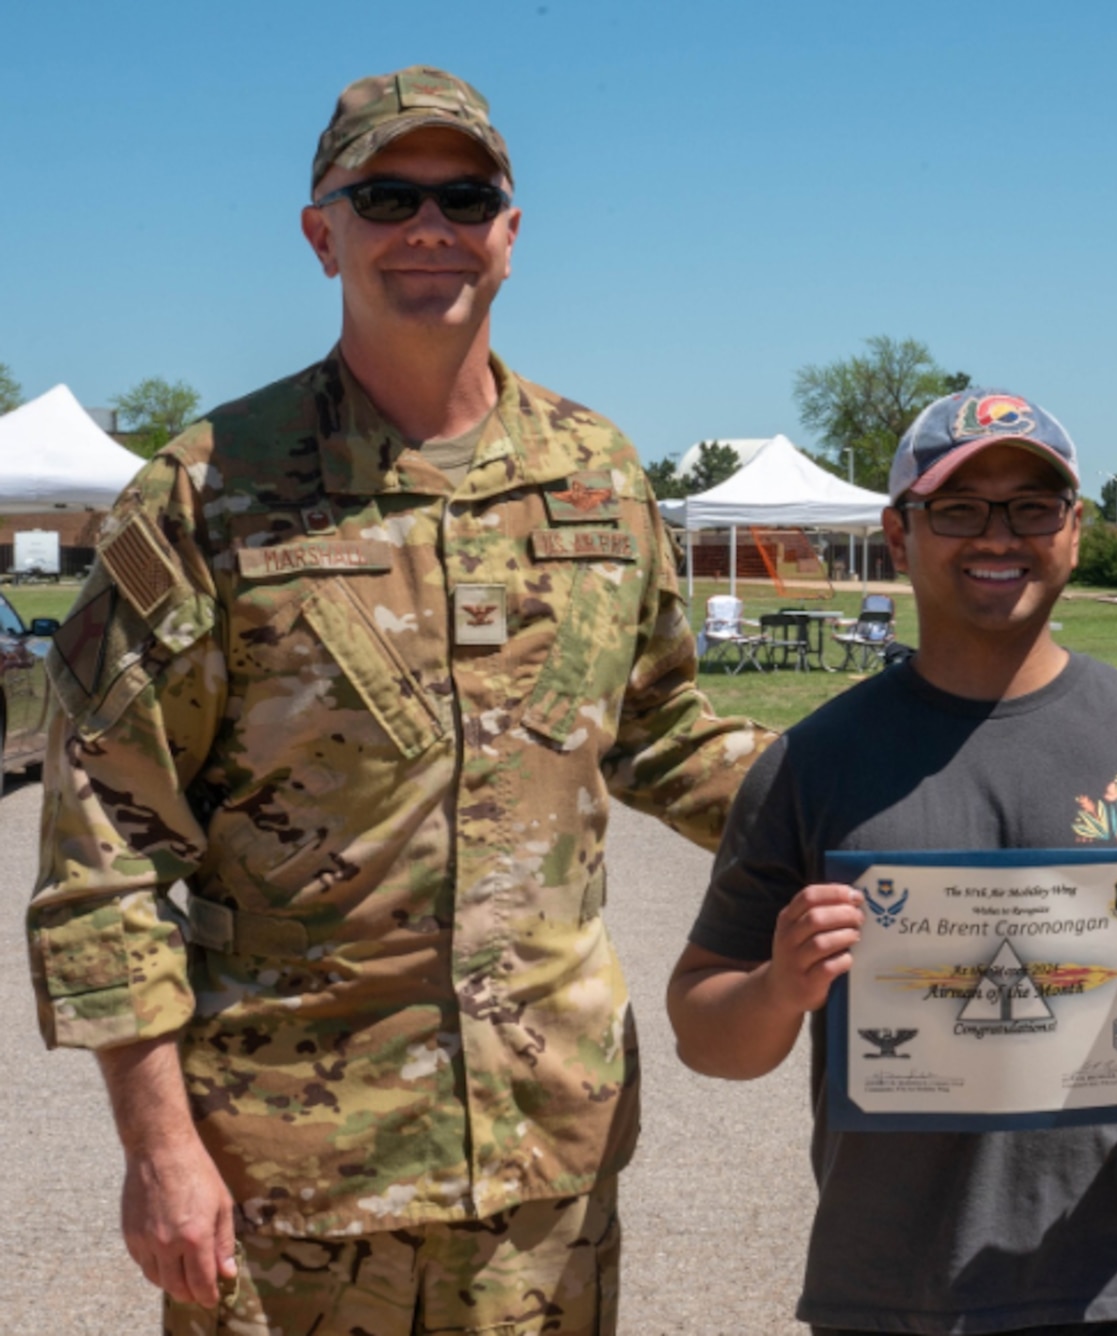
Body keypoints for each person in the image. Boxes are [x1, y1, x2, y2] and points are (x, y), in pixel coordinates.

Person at [27, 66, 768, 1335]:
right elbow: (106, 844)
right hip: (286, 1190)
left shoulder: (596, 479)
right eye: (386, 196)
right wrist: (158, 1148)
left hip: (544, 1178)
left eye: (464, 195)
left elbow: (661, 734)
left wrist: (893, 804)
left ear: (511, 234)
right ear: (322, 233)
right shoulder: (211, 494)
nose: (429, 227)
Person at [668, 389, 1117, 1335]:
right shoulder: (813, 763)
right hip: (893, 1292)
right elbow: (703, 1028)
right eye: (959, 509)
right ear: (899, 536)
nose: (997, 535)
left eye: (1031, 506)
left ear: (1075, 530)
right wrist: (778, 984)